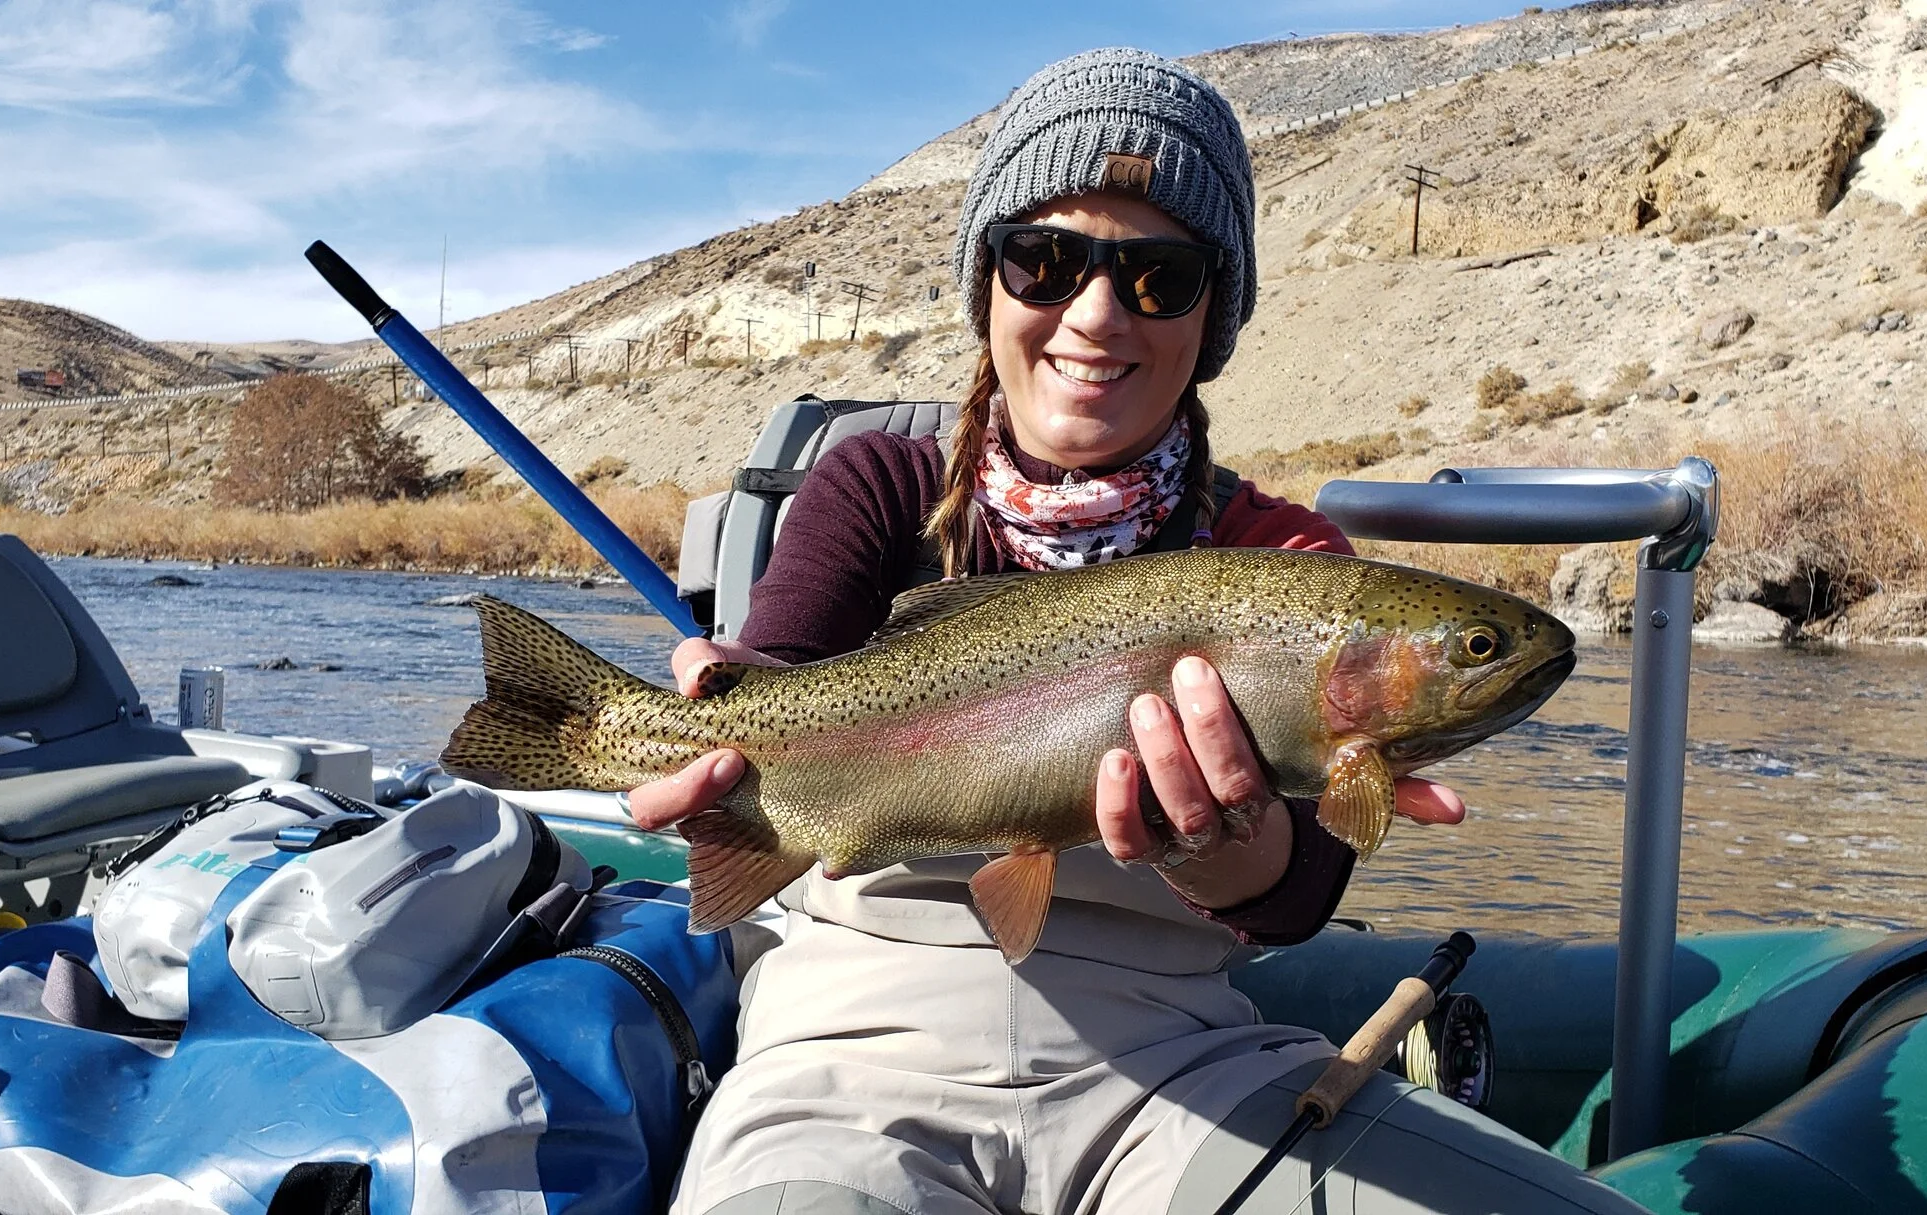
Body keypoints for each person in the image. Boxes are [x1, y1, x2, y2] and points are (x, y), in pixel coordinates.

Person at [630, 48, 1646, 1215]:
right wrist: (706, 726)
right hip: (849, 1050)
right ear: (989, 282)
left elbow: (1299, 894)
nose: (1096, 314)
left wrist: (1220, 843)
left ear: (1211, 312)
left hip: (1177, 1068)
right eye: (1046, 259)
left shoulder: (1288, 560)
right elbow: (781, 674)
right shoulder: (876, 481)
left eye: (1158, 275)